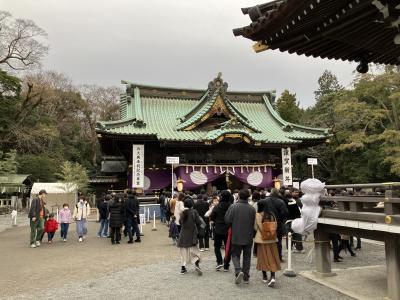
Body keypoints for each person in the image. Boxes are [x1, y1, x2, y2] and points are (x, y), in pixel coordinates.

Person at [224, 189, 256, 284]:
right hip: (248, 235)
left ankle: (238, 270)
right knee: (247, 256)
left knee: (235, 254)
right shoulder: (252, 209)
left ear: (239, 196)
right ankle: (246, 276)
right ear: (248, 197)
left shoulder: (233, 207)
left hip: (236, 234)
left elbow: (227, 219)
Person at [254, 201, 281, 287]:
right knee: (272, 257)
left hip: (262, 239)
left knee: (262, 258)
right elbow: (275, 226)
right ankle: (273, 276)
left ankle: (265, 276)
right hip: (272, 239)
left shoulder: (258, 215)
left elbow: (255, 227)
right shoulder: (272, 214)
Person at [259, 188, 288, 262]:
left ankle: (267, 257)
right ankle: (278, 257)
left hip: (266, 223)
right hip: (277, 224)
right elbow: (285, 213)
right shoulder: (280, 202)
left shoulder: (264, 201)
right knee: (278, 241)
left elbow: (260, 211)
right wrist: (280, 218)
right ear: (277, 194)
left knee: (267, 241)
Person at [177, 198, 203, 275]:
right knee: (195, 251)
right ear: (192, 204)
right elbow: (198, 222)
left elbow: (180, 223)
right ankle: (197, 265)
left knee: (183, 253)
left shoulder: (182, 213)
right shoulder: (194, 212)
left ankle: (183, 268)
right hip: (192, 234)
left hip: (183, 234)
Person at [209, 190, 232, 271]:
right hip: (228, 230)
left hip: (218, 229)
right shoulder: (231, 206)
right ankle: (226, 265)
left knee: (217, 247)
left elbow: (212, 217)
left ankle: (219, 262)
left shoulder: (217, 206)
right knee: (228, 247)